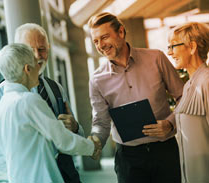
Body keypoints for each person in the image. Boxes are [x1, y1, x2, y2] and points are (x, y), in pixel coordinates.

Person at [87, 12, 184, 183]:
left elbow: (184, 97)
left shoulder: (156, 58)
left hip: (165, 152)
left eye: (104, 37)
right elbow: (101, 122)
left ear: (121, 32)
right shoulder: (96, 80)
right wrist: (94, 141)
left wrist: (170, 123)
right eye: (96, 41)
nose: (101, 45)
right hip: (128, 159)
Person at [0, 43, 101, 183]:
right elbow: (61, 139)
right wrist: (91, 147)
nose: (39, 69)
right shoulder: (28, 100)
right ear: (27, 69)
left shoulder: (1, 106)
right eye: (36, 64)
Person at [168, 22, 209, 183]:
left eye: (173, 46)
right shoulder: (188, 85)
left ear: (192, 47)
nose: (169, 53)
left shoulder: (206, 82)